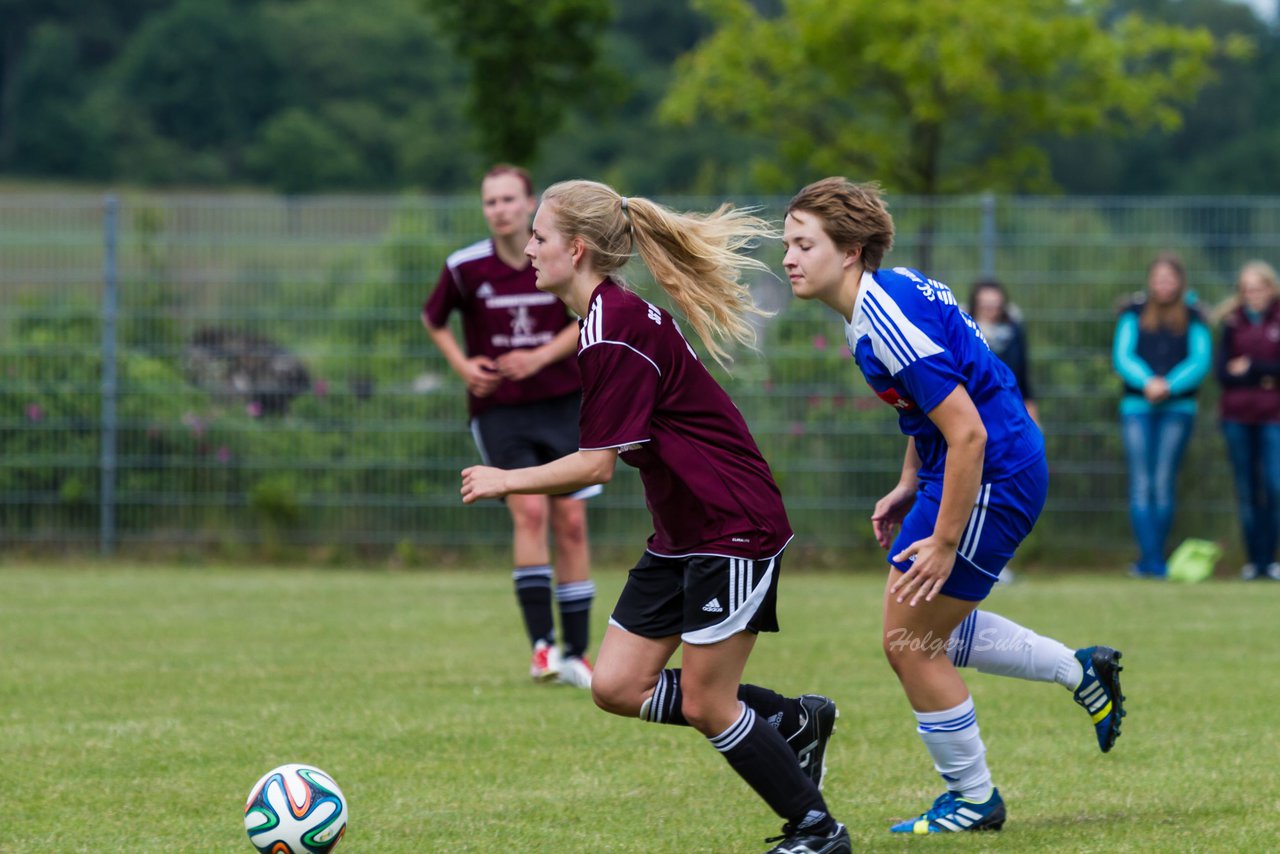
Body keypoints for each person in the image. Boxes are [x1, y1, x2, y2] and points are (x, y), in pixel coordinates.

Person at [461, 179, 850, 854]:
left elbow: (595, 465)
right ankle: (791, 720)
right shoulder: (600, 321)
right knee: (614, 684)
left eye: (540, 237)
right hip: (685, 532)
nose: (527, 248)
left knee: (707, 702)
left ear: (576, 249)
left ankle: (817, 829)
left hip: (733, 524)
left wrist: (507, 480)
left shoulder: (612, 330)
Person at [782, 177, 1126, 835]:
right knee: (918, 628)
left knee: (910, 642)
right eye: (788, 244)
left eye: (804, 243)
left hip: (992, 470)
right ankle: (1079, 669)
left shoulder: (881, 315)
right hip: (963, 465)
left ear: (850, 250)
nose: (790, 258)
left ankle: (974, 800)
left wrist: (944, 539)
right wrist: (910, 481)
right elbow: (933, 408)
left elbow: (968, 429)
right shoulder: (882, 299)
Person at [423, 164, 597, 688]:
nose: (499, 209)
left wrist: (540, 356)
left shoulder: (556, 255)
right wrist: (463, 366)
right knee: (527, 511)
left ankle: (577, 654)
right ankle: (542, 648)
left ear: (529, 205)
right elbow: (434, 319)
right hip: (501, 411)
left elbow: (589, 314)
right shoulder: (464, 268)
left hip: (564, 402)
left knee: (570, 522)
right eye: (490, 201)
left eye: (508, 200)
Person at [1112, 252, 1211, 579]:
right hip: (1137, 407)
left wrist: (1168, 385)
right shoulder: (1133, 313)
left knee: (1162, 482)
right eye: (1158, 278)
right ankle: (1150, 560)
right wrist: (1147, 382)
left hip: (1177, 408)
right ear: (1150, 281)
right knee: (1142, 483)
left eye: (1169, 279)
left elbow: (1200, 360)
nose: (1163, 285)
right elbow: (1123, 355)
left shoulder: (1195, 316)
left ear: (1179, 282)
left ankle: (1155, 560)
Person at [1215, 260, 1280, 581]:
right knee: (1247, 490)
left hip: (1273, 416)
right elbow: (1223, 372)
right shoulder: (1231, 323)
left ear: (1271, 288)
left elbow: (1263, 369)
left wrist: (1252, 367)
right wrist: (1265, 375)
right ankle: (1255, 560)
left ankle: (1271, 558)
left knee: (1274, 485)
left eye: (1258, 287)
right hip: (1237, 417)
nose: (1252, 294)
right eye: (1246, 289)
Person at [966, 279, 1039, 425]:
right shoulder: (965, 334)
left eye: (995, 305)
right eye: (984, 306)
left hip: (1010, 413)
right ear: (976, 306)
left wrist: (1033, 422)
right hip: (973, 413)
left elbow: (1023, 379)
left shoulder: (1014, 332)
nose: (990, 310)